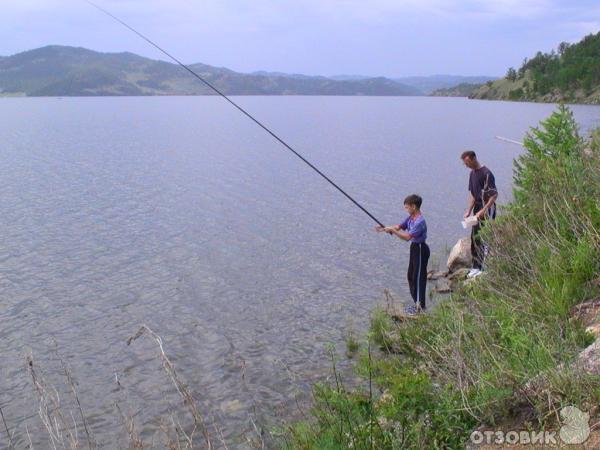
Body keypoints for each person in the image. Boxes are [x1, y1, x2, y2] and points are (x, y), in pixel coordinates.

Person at [375, 194, 430, 315]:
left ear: (414, 206)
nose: (406, 209)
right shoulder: (410, 218)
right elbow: (398, 227)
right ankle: (417, 304)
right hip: (414, 248)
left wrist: (393, 231)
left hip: (421, 249)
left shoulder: (420, 221)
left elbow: (407, 237)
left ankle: (420, 307)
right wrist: (384, 228)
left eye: (407, 207)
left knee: (419, 278)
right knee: (411, 276)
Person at [461, 150, 498, 278]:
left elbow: (494, 195)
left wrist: (484, 210)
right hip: (477, 208)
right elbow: (472, 193)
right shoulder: (472, 174)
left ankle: (483, 268)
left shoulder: (486, 174)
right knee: (475, 236)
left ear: (473, 158)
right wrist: (469, 210)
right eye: (464, 163)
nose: (466, 165)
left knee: (484, 237)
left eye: (467, 162)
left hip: (487, 208)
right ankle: (476, 266)